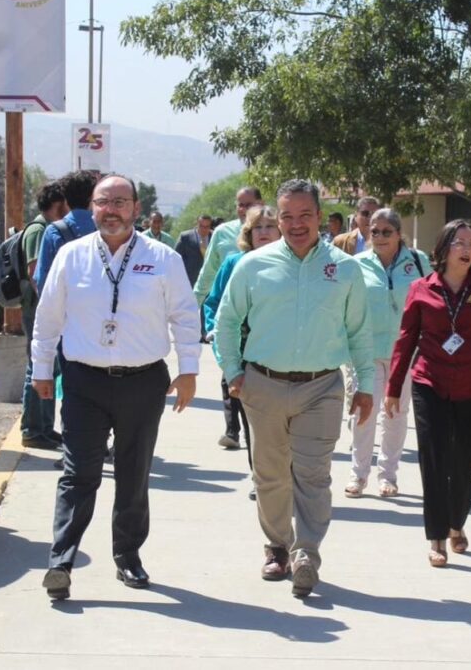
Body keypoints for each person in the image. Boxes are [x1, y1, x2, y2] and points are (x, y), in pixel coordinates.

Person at [32, 175, 200, 600]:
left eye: (120, 202)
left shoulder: (162, 258)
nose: (112, 210)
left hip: (144, 383)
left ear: (136, 208)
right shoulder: (72, 256)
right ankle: (60, 562)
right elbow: (48, 318)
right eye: (103, 202)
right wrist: (41, 370)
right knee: (79, 473)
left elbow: (184, 316)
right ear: (91, 207)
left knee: (133, 474)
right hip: (84, 381)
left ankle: (128, 556)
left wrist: (189, 370)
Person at [216, 179, 373, 598]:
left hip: (321, 387)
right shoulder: (253, 266)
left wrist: (367, 385)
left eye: (305, 215)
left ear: (321, 217)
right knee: (269, 475)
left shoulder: (345, 268)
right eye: (287, 216)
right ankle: (277, 546)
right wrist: (233, 371)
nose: (296, 224)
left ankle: (307, 552)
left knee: (312, 475)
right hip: (262, 384)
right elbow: (227, 322)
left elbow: (359, 331)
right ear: (276, 218)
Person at [386, 221, 471, 568]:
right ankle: (437, 537)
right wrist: (394, 387)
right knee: (434, 462)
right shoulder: (420, 288)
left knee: (463, 465)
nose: (467, 249)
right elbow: (405, 341)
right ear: (443, 249)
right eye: (459, 242)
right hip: (431, 385)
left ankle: (457, 521)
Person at [346, 208, 430, 499]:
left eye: (386, 232)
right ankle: (358, 475)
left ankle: (388, 476)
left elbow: (432, 300)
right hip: (365, 350)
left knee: (396, 413)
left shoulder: (419, 262)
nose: (379, 237)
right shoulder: (356, 264)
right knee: (363, 411)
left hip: (404, 351)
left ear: (398, 234)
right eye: (374, 231)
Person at [202, 205, 281, 472]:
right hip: (244, 357)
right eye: (257, 227)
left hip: (284, 358)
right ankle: (261, 481)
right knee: (254, 425)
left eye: (270, 226)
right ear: (248, 232)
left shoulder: (294, 265)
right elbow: (213, 303)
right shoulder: (234, 263)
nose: (264, 232)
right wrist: (216, 335)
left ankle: (287, 482)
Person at [19, 181, 69, 450]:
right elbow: (35, 273)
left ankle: (45, 429)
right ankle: (32, 429)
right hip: (37, 310)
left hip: (41, 309)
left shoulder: (45, 228)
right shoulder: (40, 231)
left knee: (49, 368)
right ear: (59, 204)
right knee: (37, 367)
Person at [193, 187, 263, 304]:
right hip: (229, 305)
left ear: (261, 204)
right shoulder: (222, 233)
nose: (244, 210)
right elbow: (209, 271)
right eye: (240, 205)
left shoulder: (274, 231)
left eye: (249, 205)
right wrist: (194, 304)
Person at [33, 169, 100, 292]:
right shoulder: (104, 229)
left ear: (66, 200)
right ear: (93, 198)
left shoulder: (53, 231)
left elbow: (42, 280)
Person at [175, 213, 214, 342]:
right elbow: (176, 258)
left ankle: (204, 334)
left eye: (207, 226)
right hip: (190, 278)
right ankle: (187, 333)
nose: (204, 229)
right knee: (188, 308)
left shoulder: (214, 237)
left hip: (209, 279)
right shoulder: (186, 237)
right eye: (201, 226)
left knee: (206, 306)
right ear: (197, 224)